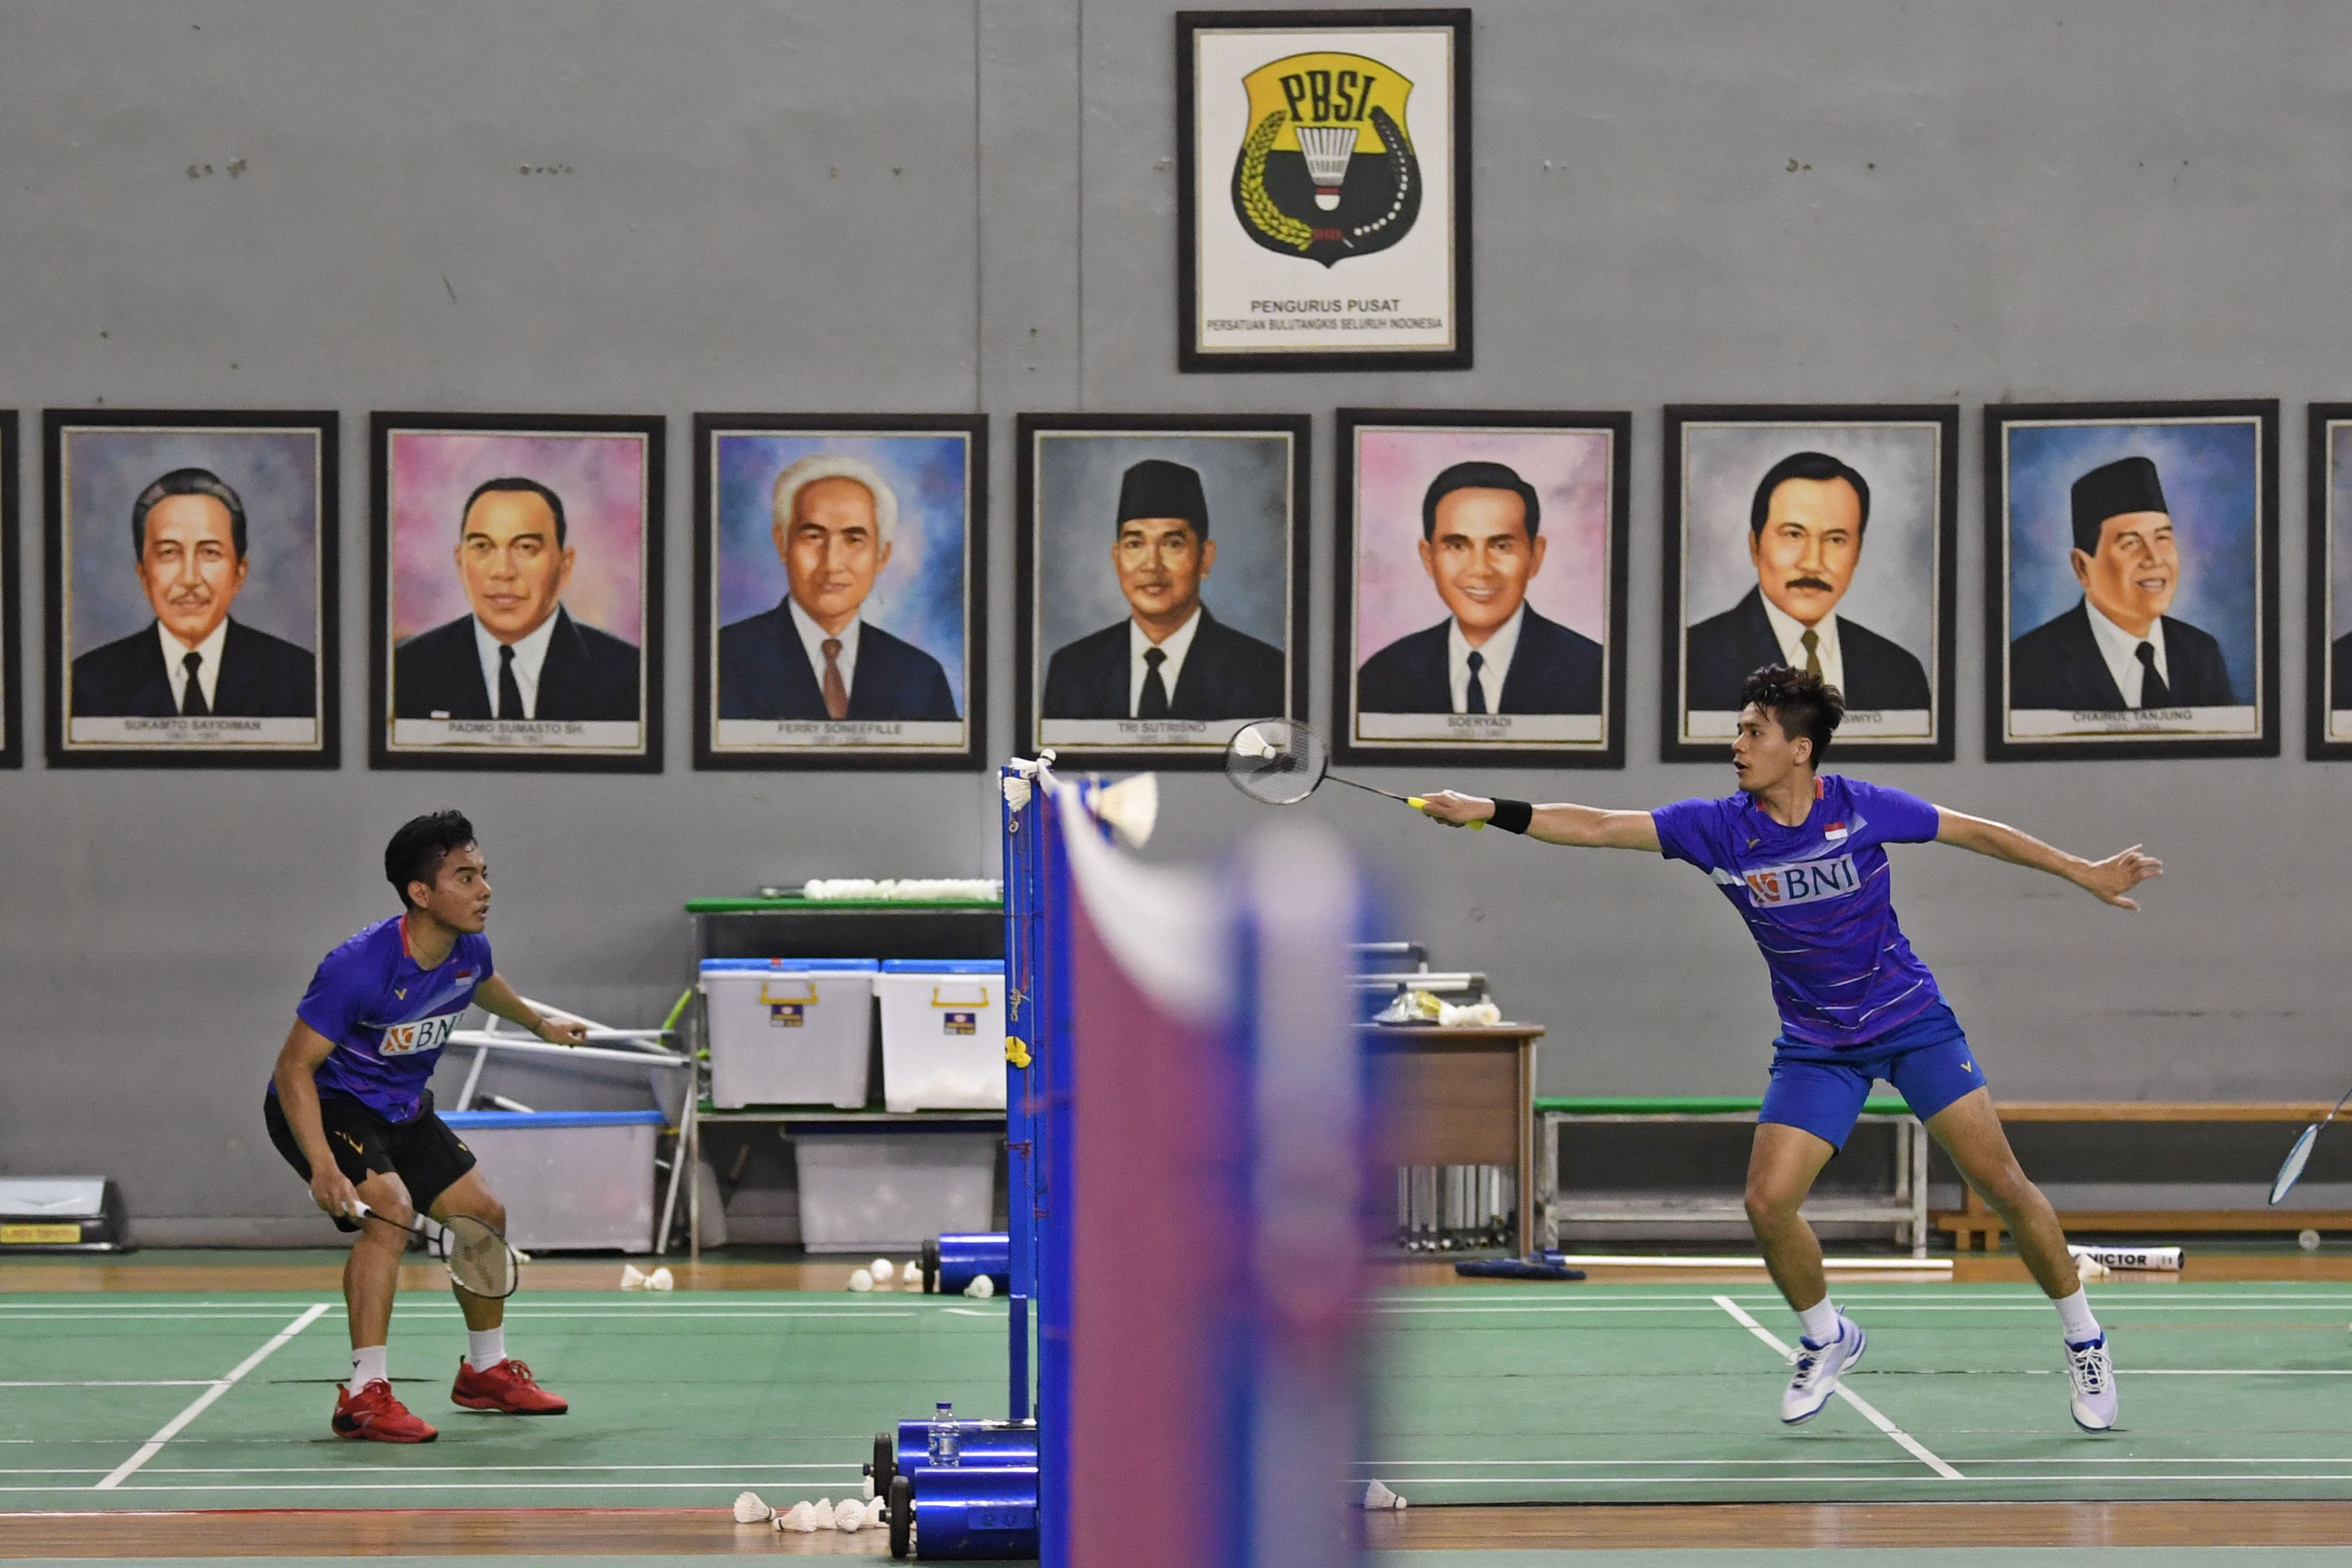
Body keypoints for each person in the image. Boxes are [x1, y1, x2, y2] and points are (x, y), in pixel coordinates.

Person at [1417, 664, 2157, 1433]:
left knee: (2003, 1181)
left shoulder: (1862, 808)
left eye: (1753, 731)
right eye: (1739, 728)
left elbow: (1977, 831)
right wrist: (1485, 810)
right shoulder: (1717, 827)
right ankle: (1827, 1334)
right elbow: (1600, 824)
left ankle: (2083, 1334)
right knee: (1768, 1202)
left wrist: (2083, 870)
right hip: (1816, 1042)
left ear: (1799, 749)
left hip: (1909, 1020)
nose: (1737, 744)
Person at [265, 810, 587, 1442]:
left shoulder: (468, 947)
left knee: (483, 1216)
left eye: (483, 874)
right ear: (421, 893)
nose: (485, 890)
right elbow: (293, 1068)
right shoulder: (358, 967)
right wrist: (323, 1167)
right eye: (465, 878)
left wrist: (538, 1024)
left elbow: (481, 984)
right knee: (389, 1209)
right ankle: (364, 1394)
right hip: (328, 1105)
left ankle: (486, 1372)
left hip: (403, 1107)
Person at [716, 454, 957, 721]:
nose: (832, 564)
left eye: (854, 540)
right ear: (782, 544)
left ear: (882, 555)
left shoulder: (920, 677)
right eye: (814, 537)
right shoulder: (722, 659)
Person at [1685, 452, 1930, 713]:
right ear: (1755, 546)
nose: (1813, 563)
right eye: (1793, 535)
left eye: (1836, 539)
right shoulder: (1692, 661)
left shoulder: (1900, 673)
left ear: (1857, 553)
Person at [1042, 458, 1284, 721]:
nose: (1152, 565)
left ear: (1206, 558)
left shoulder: (1264, 673)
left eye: (1172, 544)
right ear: (1117, 558)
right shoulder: (1072, 670)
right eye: (1135, 544)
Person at [1355, 460, 1603, 715]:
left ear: (1535, 557)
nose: (1481, 569)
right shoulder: (1383, 677)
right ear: (1428, 559)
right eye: (1457, 546)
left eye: (1502, 546)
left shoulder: (1595, 674)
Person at [71, 468, 316, 718]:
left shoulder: (301, 679)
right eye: (169, 553)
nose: (189, 579)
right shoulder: (87, 683)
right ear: (143, 574)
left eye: (210, 553)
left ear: (239, 573)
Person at [393, 477, 640, 722]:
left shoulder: (629, 675)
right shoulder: (405, 670)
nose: (503, 571)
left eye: (525, 548)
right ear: (460, 562)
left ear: (565, 566)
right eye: (482, 546)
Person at [2009, 455, 2234, 710]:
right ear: (2082, 567)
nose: (2154, 558)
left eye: (2162, 538)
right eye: (2131, 543)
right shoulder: (2029, 666)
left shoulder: (2201, 653)